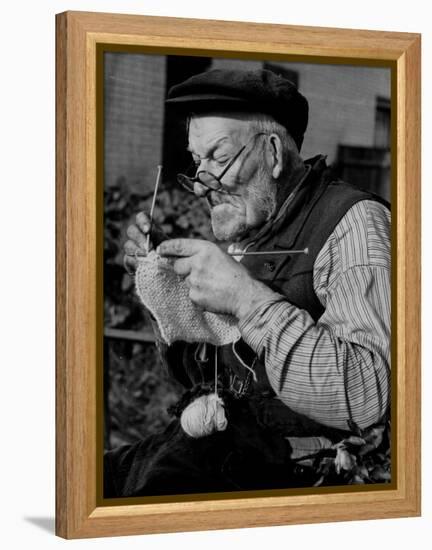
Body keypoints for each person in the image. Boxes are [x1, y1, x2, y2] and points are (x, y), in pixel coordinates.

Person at [104, 68, 391, 497]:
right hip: (215, 447)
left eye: (218, 158)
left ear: (273, 153)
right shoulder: (252, 226)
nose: (201, 186)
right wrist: (169, 293)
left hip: (296, 475)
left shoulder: (355, 225)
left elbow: (368, 396)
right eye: (196, 161)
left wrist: (246, 299)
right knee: (81, 475)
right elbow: (202, 376)